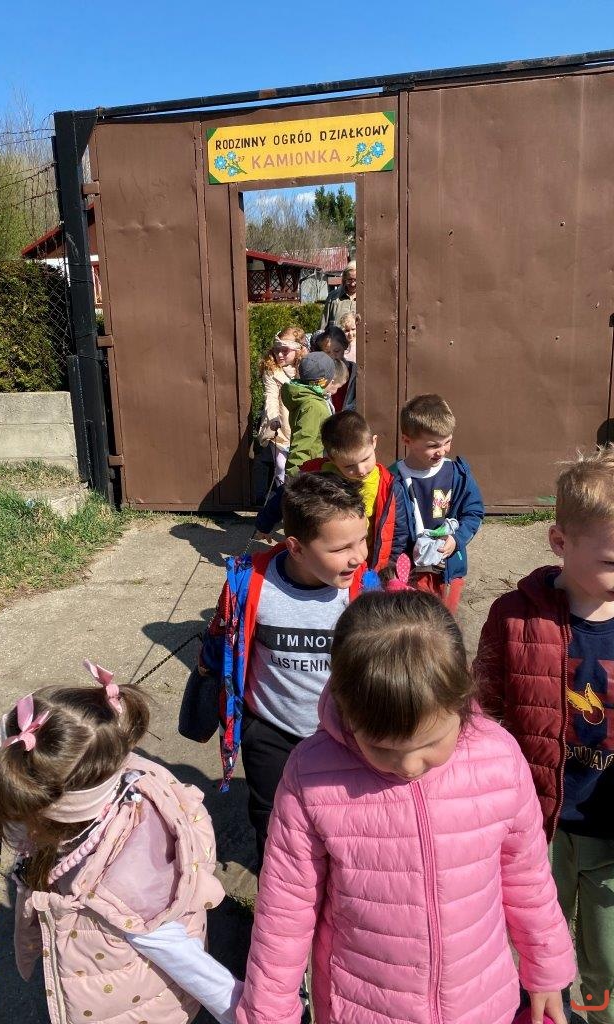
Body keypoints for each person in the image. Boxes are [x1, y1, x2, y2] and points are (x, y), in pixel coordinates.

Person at [236, 587, 576, 1024]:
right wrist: (269, 1012)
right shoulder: (312, 775)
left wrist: (544, 969)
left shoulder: (499, 758)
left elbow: (527, 874)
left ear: (462, 697)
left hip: (480, 1001)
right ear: (347, 709)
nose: (410, 766)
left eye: (431, 743)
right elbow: (285, 909)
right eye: (382, 748)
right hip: (363, 1008)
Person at [0, 665, 242, 1024]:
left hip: (135, 1010)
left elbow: (187, 962)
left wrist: (245, 1010)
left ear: (49, 815)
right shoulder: (123, 769)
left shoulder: (123, 886)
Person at [476, 447, 614, 1024]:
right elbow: (483, 716)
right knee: (532, 947)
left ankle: (599, 1012)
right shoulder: (515, 617)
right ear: (560, 542)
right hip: (537, 827)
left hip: (609, 832)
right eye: (612, 560)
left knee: (608, 959)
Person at [196, 472, 368, 868]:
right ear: (296, 547)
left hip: (342, 733)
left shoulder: (365, 589)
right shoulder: (250, 583)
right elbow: (228, 645)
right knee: (271, 818)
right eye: (341, 547)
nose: (358, 556)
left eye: (362, 539)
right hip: (271, 730)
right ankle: (275, 890)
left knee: (340, 820)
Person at [255, 410, 401, 572]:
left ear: (374, 442)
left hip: (368, 559)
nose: (361, 470)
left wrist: (390, 566)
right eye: (349, 466)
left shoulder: (388, 484)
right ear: (332, 459)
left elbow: (398, 528)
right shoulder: (317, 475)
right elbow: (286, 495)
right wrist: (264, 524)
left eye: (366, 459)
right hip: (330, 560)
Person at [392, 393, 484, 612]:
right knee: (413, 621)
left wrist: (457, 539)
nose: (442, 451)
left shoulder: (457, 474)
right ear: (407, 440)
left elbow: (473, 511)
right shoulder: (393, 478)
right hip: (409, 571)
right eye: (433, 445)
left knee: (445, 621)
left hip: (448, 569)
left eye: (447, 442)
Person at [259, 328, 306, 486]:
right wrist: (273, 418)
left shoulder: (306, 367)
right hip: (280, 424)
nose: (279, 355)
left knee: (299, 466)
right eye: (276, 350)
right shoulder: (272, 370)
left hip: (300, 422)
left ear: (297, 350)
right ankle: (282, 495)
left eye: (285, 351)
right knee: (281, 465)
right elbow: (270, 397)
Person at [280, 351, 336, 476]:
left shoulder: (309, 398)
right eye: (332, 380)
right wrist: (294, 478)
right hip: (309, 472)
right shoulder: (313, 406)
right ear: (324, 381)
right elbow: (302, 443)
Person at [312, 325, 354, 412]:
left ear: (345, 346)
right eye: (327, 352)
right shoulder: (320, 373)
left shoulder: (354, 372)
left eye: (337, 351)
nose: (332, 356)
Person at [320, 261, 357, 329]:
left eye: (355, 280)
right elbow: (323, 326)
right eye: (349, 280)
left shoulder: (366, 299)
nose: (352, 284)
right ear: (344, 279)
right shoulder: (333, 297)